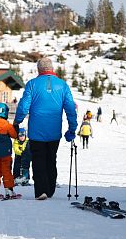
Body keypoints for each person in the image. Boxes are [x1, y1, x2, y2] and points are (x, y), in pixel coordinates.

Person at [13, 58, 78, 200]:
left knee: (38, 160)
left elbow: (24, 107)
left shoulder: (32, 84)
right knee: (51, 159)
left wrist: (17, 122)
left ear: (39, 69)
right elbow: (71, 109)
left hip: (36, 132)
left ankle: (41, 190)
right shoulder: (62, 85)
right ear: (52, 69)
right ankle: (50, 189)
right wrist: (72, 129)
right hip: (54, 132)